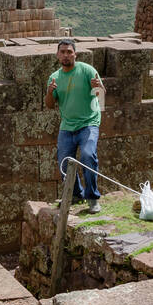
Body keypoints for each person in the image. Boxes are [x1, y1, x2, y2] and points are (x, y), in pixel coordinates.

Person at [45, 38, 106, 212]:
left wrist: (99, 88)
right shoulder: (54, 77)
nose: (66, 55)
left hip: (88, 123)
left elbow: (100, 99)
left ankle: (92, 198)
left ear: (75, 54)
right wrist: (50, 92)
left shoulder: (87, 71)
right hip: (67, 126)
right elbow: (50, 105)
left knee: (88, 156)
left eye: (69, 52)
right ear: (57, 55)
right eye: (62, 52)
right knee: (64, 162)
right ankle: (76, 194)